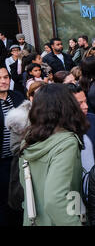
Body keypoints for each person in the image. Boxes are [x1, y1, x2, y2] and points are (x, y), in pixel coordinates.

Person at [19, 83, 89, 226]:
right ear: (67, 106)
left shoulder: (28, 139)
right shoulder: (66, 143)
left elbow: (25, 184)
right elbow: (55, 199)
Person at [5, 81, 44, 220]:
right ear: (31, 97)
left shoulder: (52, 115)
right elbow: (15, 148)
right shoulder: (20, 118)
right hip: (25, 170)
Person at [0, 66, 25, 226]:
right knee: (3, 199)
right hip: (1, 161)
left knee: (19, 197)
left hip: (19, 158)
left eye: (6, 77)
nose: (3, 81)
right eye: (0, 78)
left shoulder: (17, 98)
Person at [66, 83, 95, 172]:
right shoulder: (62, 129)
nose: (86, 106)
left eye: (85, 102)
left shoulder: (92, 119)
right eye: (80, 104)